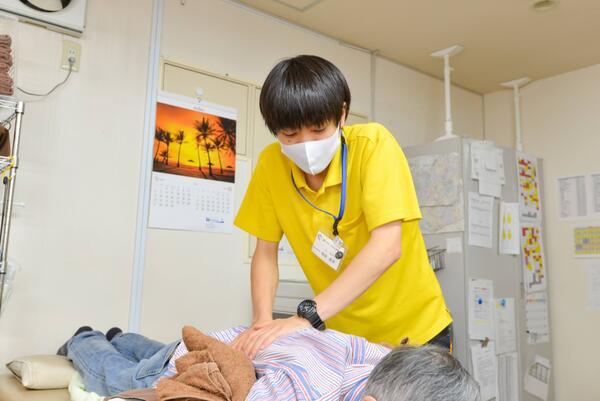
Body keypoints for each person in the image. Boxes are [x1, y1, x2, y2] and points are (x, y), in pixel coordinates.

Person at [232, 55, 452, 358]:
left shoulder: (374, 145)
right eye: (290, 135)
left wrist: (306, 317)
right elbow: (265, 251)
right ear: (274, 130)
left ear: (342, 114)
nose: (305, 144)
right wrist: (261, 323)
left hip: (414, 333)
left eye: (319, 129)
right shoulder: (271, 164)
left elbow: (387, 246)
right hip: (346, 340)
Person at [57, 325, 478, 401]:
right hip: (204, 356)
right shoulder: (304, 390)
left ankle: (120, 335)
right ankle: (88, 337)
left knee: (155, 348)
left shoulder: (382, 359)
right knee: (121, 375)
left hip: (242, 339)